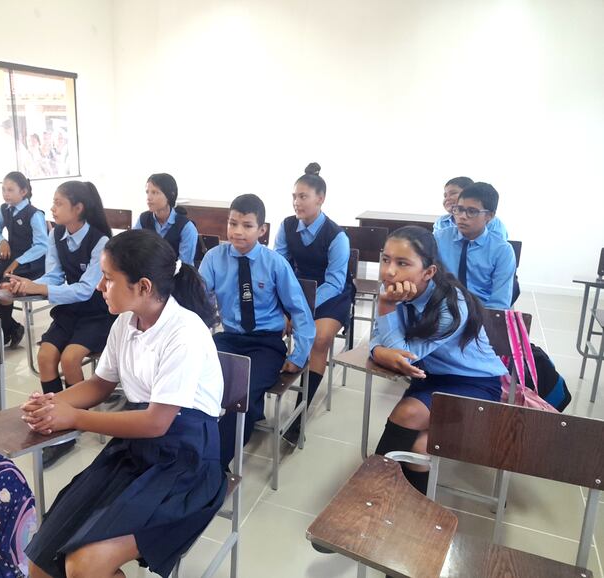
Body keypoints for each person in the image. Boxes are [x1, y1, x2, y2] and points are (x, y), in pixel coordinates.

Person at [22, 229, 226, 578]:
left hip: (185, 462)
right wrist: (51, 403)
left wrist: (74, 418)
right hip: (136, 451)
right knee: (41, 559)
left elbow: (156, 423)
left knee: (83, 565)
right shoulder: (124, 324)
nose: (100, 287)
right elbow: (100, 384)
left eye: (107, 279)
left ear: (143, 286)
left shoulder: (185, 333)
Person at [370, 226, 506, 494]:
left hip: (475, 384)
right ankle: (402, 505)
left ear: (429, 272)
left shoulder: (451, 306)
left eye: (402, 263)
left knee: (407, 413)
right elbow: (378, 338)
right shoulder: (397, 290)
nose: (389, 271)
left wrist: (386, 307)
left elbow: (406, 355)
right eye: (385, 259)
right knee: (419, 447)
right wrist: (378, 352)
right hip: (432, 378)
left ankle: (372, 491)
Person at [199, 194, 315, 468]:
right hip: (228, 337)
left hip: (266, 343)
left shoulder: (274, 263)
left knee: (242, 394)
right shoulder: (214, 259)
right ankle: (196, 446)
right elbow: (198, 302)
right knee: (202, 383)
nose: (238, 231)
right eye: (233, 223)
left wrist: (299, 355)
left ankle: (215, 464)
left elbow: (300, 310)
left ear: (262, 230)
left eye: (247, 225)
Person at [5, 181, 116, 467]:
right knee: (45, 356)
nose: (52, 208)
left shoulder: (100, 241)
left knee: (70, 359)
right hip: (70, 311)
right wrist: (28, 285)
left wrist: (40, 289)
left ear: (78, 208)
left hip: (96, 312)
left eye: (58, 203)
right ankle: (53, 423)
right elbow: (53, 277)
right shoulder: (57, 235)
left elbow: (85, 289)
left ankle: (74, 423)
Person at [274, 162, 355, 445]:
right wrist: (289, 303)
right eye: (295, 196)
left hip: (330, 296)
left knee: (319, 340)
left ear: (320, 199)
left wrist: (302, 307)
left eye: (303, 196)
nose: (297, 202)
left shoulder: (336, 237)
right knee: (269, 325)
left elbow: (334, 282)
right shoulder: (286, 227)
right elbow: (279, 267)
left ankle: (299, 414)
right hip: (296, 291)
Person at [0, 171, 48, 347]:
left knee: (4, 288)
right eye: (3, 190)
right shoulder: (4, 209)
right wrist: (2, 240)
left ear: (23, 192)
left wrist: (18, 261)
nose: (6, 194)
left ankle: (7, 331)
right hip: (10, 258)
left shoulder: (34, 214)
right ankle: (12, 328)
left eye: (10, 190)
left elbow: (42, 246)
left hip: (32, 262)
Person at [434, 182, 516, 310]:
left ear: (489, 216)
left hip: (481, 311)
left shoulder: (502, 251)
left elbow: (499, 303)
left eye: (472, 211)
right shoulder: (438, 239)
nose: (462, 217)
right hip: (443, 308)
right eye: (459, 209)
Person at [133, 173, 200, 265]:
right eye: (147, 192)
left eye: (155, 192)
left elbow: (184, 266)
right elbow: (133, 250)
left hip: (177, 277)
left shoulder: (186, 228)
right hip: (147, 275)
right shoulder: (143, 220)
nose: (149, 198)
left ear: (170, 195)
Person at [432, 176, 508, 240]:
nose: (447, 198)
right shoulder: (442, 221)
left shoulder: (493, 222)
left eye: (453, 193)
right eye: (445, 195)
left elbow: (496, 248)